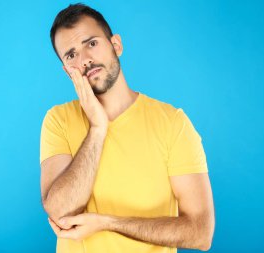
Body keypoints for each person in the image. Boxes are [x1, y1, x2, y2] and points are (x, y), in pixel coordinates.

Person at [40, 3, 215, 253]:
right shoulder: (58, 120)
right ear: (67, 71)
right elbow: (60, 210)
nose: (85, 59)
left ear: (116, 45)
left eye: (91, 43)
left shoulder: (173, 123)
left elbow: (200, 233)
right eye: (71, 55)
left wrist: (108, 223)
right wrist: (98, 128)